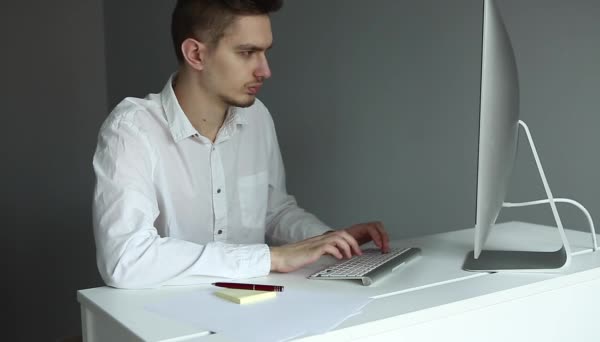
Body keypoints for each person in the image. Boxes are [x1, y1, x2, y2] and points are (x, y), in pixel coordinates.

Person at [92, 0, 390, 289]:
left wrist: (330, 239)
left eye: (264, 52)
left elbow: (274, 211)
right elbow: (125, 259)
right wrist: (269, 258)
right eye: (247, 52)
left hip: (254, 308)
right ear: (196, 54)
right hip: (168, 323)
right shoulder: (131, 129)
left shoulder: (257, 116)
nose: (265, 70)